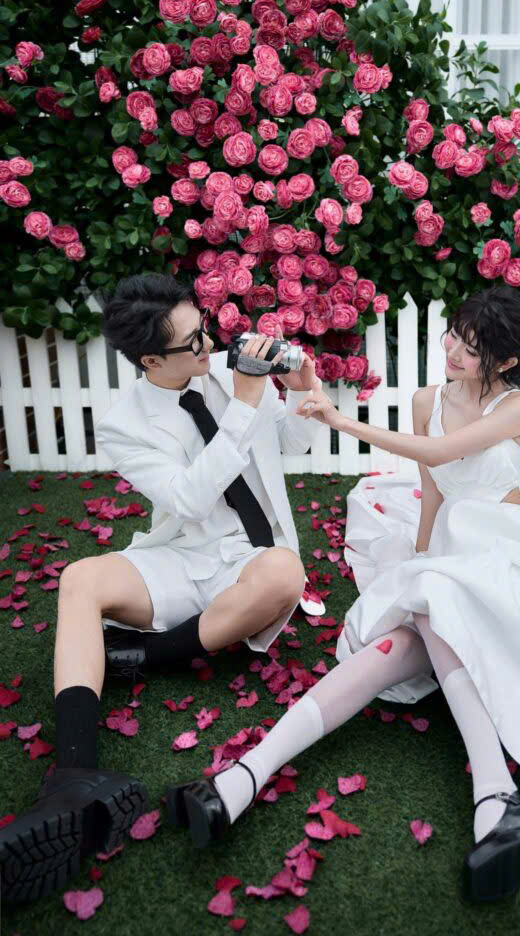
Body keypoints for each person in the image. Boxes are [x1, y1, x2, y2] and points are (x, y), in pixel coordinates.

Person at [165, 285, 520, 904]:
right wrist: (419, 559)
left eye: (472, 349)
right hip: (452, 552)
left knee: (430, 602)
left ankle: (488, 791)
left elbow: (440, 451)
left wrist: (340, 420)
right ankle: (247, 776)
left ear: (506, 361)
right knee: (401, 636)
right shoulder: (425, 400)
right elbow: (433, 488)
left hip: (511, 552)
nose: (453, 352)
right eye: (454, 336)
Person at [0, 273, 324, 904]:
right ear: (150, 359)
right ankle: (73, 775)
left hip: (252, 562)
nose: (210, 345)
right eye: (192, 341)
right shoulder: (124, 424)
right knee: (78, 578)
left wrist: (305, 391)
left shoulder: (233, 373)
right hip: (185, 554)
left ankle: (143, 655)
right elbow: (189, 499)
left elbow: (290, 442)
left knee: (286, 571)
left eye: (204, 327)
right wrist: (245, 404)